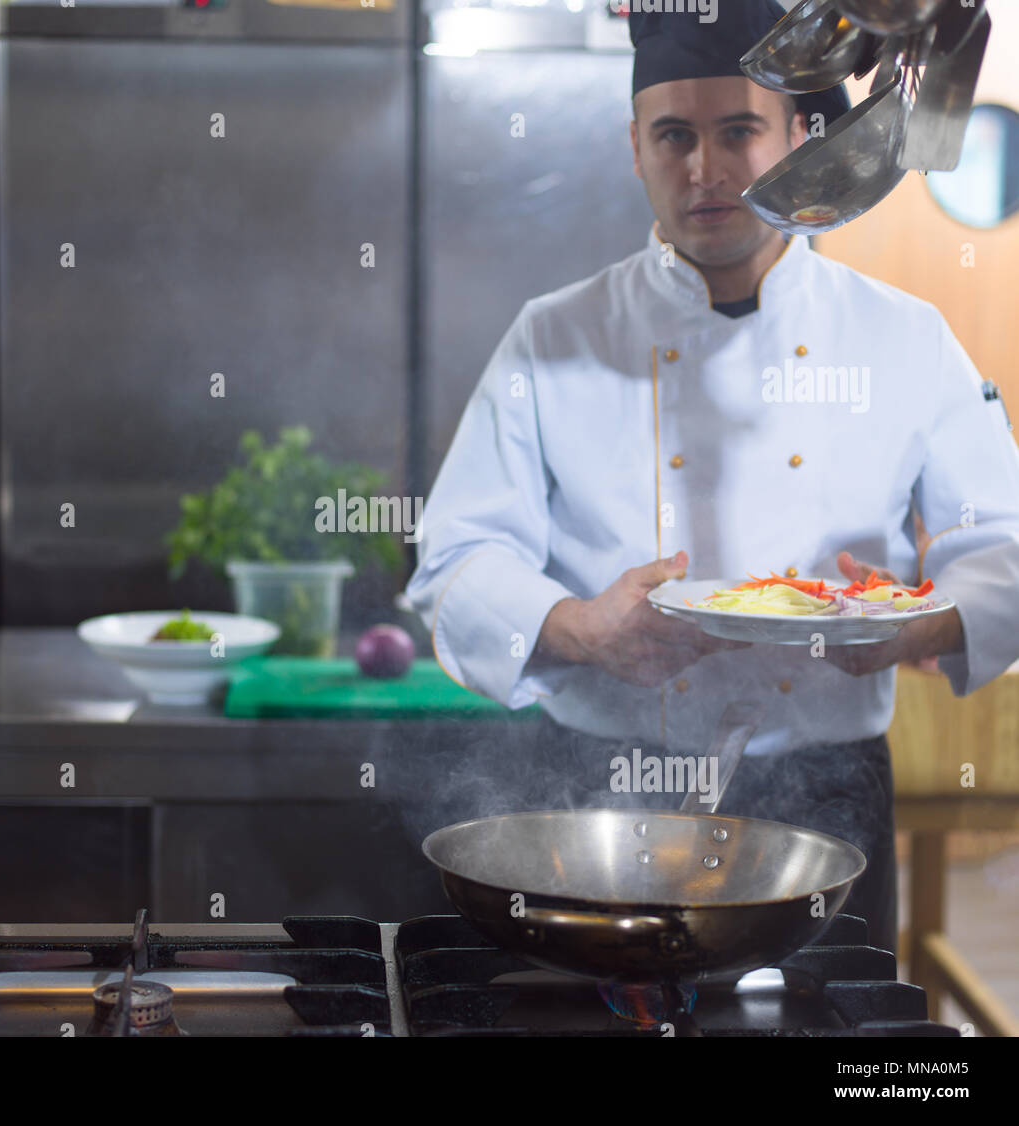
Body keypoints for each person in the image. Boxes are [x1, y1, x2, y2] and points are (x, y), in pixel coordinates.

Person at [404, 0, 1019, 958]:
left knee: (838, 1040)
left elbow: (1005, 547)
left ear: (799, 136)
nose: (706, 170)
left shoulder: (908, 339)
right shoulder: (554, 335)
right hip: (599, 801)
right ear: (635, 147)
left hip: (827, 796)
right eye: (674, 137)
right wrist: (581, 631)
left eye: (739, 131)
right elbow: (457, 560)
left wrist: (919, 625)